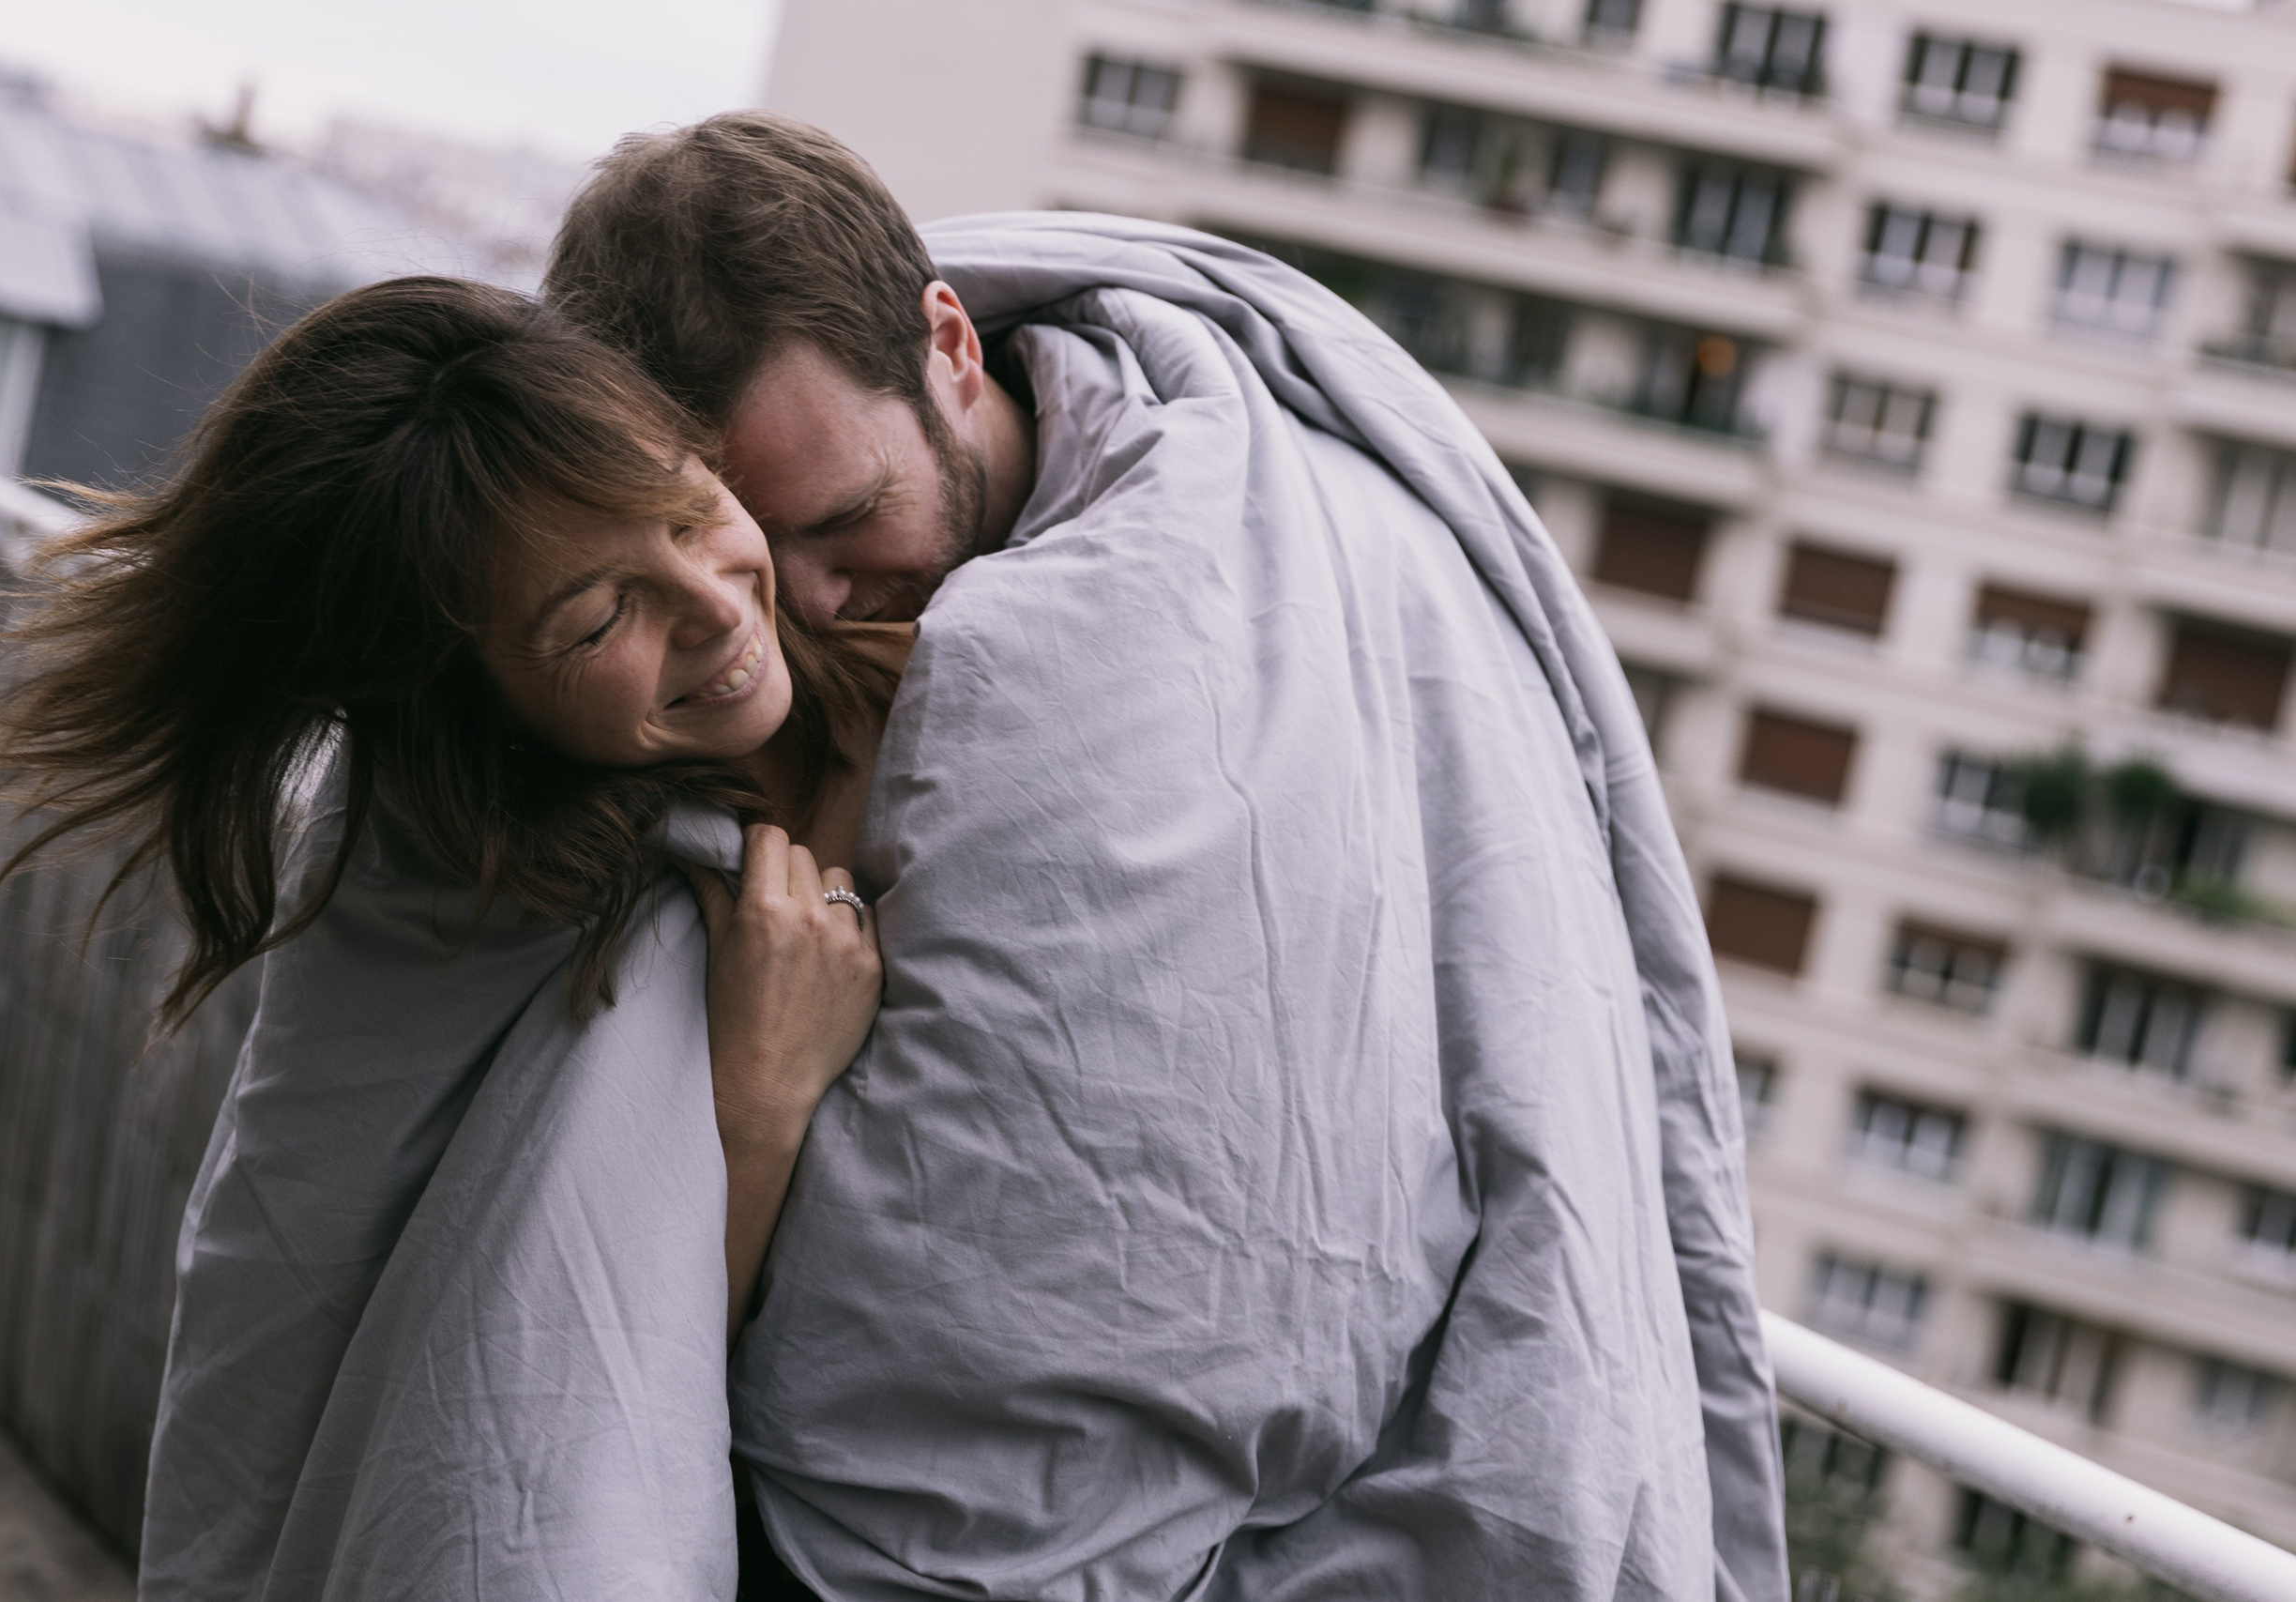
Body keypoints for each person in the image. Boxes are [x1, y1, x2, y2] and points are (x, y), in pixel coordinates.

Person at [545, 114, 1789, 1601]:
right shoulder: (701, 649)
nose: (798, 604)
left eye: (850, 519)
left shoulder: (1266, 520)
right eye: (735, 538)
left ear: (950, 342)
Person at [0, 276, 896, 1594]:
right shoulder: (457, 893)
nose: (719, 603)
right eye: (600, 616)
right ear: (459, 694)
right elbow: (561, 1407)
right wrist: (758, 1104)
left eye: (687, 506)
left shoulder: (907, 650)